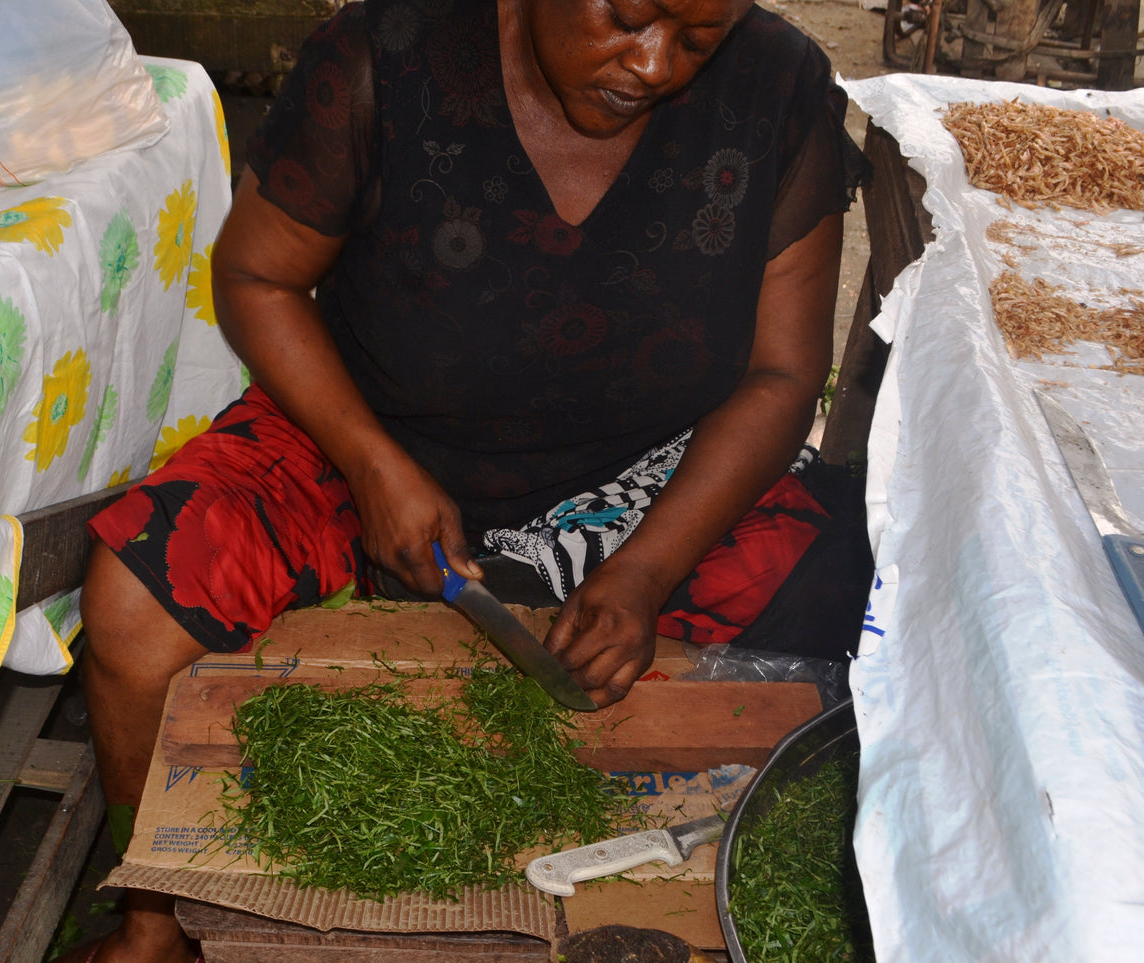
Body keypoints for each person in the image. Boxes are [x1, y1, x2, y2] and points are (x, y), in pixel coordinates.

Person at [66, 1, 868, 959]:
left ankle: (658, 900)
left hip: (642, 478)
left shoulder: (777, 87)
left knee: (841, 602)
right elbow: (255, 277)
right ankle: (152, 917)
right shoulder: (382, 56)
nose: (654, 64)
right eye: (626, 16)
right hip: (366, 439)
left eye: (698, 38)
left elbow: (781, 376)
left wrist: (647, 570)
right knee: (134, 600)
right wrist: (368, 462)